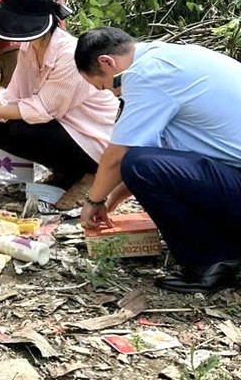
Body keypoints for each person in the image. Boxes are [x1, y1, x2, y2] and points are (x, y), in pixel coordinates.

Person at [75, 27, 241, 293]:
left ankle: (210, 261)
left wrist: (93, 201)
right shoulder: (167, 57)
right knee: (142, 163)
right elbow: (155, 153)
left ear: (107, 62)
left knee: (137, 164)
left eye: (105, 85)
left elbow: (120, 157)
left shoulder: (144, 74)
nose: (113, 93)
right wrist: (112, 199)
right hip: (231, 175)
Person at [0, 0, 119, 208]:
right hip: (63, 127)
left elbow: (40, 110)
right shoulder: (30, 49)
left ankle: (91, 175)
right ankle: (66, 174)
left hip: (93, 139)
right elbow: (14, 95)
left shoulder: (69, 55)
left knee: (20, 128)